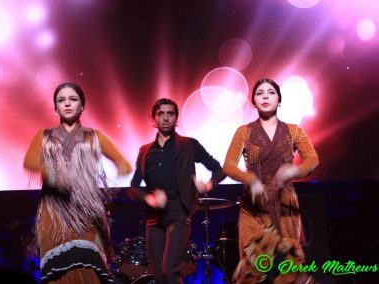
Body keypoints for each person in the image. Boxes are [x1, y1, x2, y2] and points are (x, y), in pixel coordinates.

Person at [23, 82, 132, 283]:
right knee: (58, 275)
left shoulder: (94, 137)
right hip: (53, 214)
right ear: (55, 108)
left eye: (73, 99)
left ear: (82, 106)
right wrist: (56, 176)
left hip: (86, 213)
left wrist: (107, 187)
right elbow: (29, 162)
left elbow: (124, 164)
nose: (67, 104)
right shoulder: (44, 136)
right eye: (61, 100)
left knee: (87, 268)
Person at [223, 78, 319, 283]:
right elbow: (229, 165)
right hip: (254, 206)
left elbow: (312, 160)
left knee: (289, 267)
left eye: (270, 92)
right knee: (253, 268)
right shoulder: (244, 131)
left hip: (285, 205)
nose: (265, 96)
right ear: (253, 101)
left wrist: (294, 171)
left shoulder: (294, 130)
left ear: (279, 99)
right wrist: (250, 178)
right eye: (259, 93)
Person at [128, 98, 225, 284]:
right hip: (154, 216)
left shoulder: (188, 145)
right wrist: (149, 199)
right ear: (153, 119)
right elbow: (133, 187)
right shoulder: (145, 151)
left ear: (176, 118)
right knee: (158, 274)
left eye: (170, 113)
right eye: (161, 114)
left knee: (169, 270)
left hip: (179, 211)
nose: (165, 118)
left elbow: (218, 169)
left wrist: (208, 185)